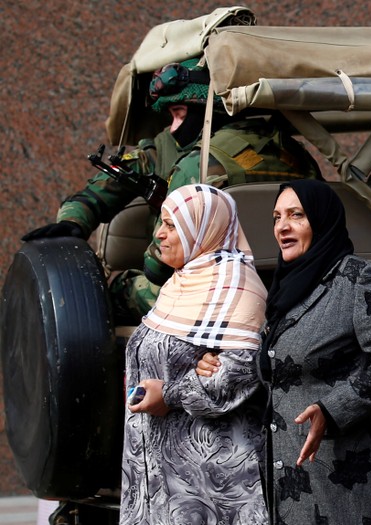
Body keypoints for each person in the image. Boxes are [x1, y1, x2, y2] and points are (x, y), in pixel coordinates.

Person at [198, 179, 371, 524]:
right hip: (292, 484)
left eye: (297, 215)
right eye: (277, 217)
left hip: (350, 481)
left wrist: (332, 410)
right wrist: (219, 366)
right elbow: (281, 368)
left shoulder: (358, 279)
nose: (282, 227)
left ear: (322, 221)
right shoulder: (282, 291)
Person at [22, 57, 319, 323]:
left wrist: (71, 225)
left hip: (210, 302)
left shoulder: (196, 165)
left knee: (120, 288)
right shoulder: (297, 155)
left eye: (179, 114)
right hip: (294, 290)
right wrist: (73, 219)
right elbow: (109, 184)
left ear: (208, 109)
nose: (173, 128)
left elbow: (157, 267)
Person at [120, 183, 269, 524]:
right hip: (156, 478)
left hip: (206, 487)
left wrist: (170, 395)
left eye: (172, 225)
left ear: (204, 229)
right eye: (162, 223)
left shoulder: (238, 288)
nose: (160, 234)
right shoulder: (179, 284)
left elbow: (237, 374)